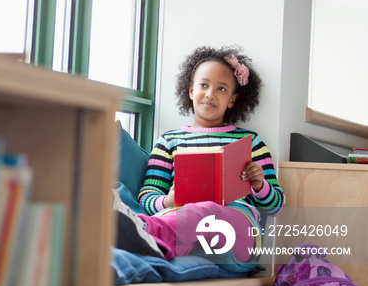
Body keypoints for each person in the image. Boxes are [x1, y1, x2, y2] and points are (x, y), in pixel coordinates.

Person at [114, 45, 285, 263]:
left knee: (204, 212)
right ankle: (148, 241)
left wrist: (260, 184)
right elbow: (147, 197)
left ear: (232, 99)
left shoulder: (251, 142)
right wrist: (169, 200)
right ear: (191, 91)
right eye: (204, 85)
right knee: (187, 221)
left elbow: (276, 206)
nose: (210, 94)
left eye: (222, 89)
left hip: (237, 228)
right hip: (181, 220)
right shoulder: (169, 141)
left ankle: (145, 231)